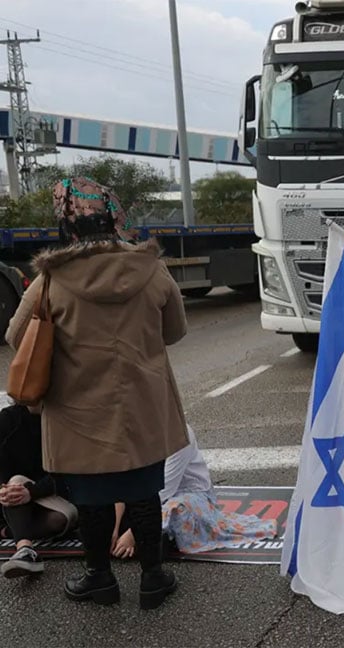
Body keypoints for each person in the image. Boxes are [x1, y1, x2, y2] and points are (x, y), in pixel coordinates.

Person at [5, 177, 190, 610]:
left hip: (77, 410)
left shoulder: (52, 279)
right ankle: (153, 578)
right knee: (143, 490)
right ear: (115, 219)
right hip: (142, 404)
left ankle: (100, 579)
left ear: (67, 226)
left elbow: (17, 336)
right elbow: (175, 331)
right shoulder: (151, 268)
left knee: (91, 498)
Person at [110, 425, 276, 559]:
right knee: (105, 506)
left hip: (190, 496)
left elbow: (164, 490)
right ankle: (154, 536)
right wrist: (113, 529)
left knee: (177, 509)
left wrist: (133, 533)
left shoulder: (179, 434)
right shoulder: (132, 434)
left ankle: (151, 537)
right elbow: (123, 483)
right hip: (148, 496)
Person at [0, 402, 78, 578]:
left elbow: (67, 473)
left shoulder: (64, 419)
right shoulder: (8, 419)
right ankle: (25, 550)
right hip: (15, 494)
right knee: (16, 483)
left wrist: (32, 492)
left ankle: (9, 531)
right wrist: (2, 489)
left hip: (52, 495)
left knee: (58, 521)